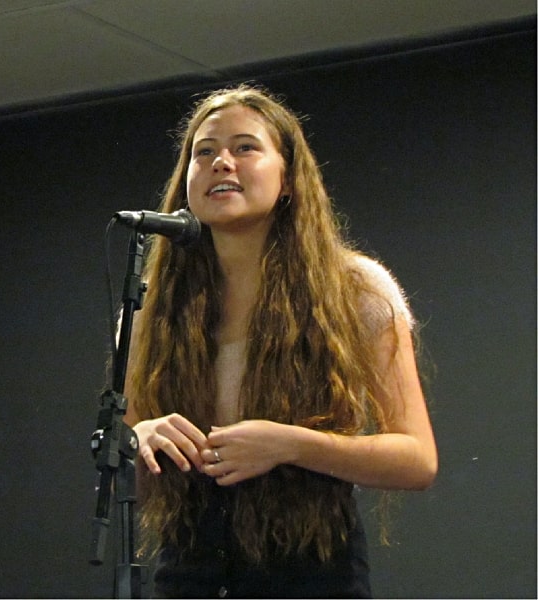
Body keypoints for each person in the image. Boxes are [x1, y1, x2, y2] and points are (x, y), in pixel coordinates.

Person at [123, 84, 438, 598]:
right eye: (204, 152)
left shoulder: (354, 290)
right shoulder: (150, 306)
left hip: (311, 568)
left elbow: (417, 460)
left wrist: (290, 444)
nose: (222, 162)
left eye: (245, 147)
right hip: (189, 571)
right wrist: (142, 437)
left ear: (288, 179)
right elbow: (124, 447)